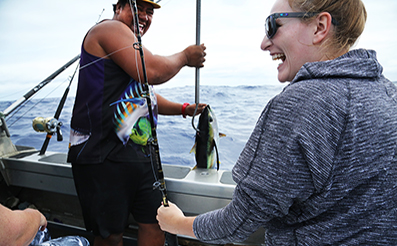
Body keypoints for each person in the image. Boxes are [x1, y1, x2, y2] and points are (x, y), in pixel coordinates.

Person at [157, 0, 397, 245]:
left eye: (273, 25)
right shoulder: (389, 95)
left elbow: (237, 223)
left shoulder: (299, 104)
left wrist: (175, 223)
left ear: (320, 27)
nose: (263, 43)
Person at [67, 0, 206, 245]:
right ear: (118, 7)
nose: (144, 16)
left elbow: (144, 95)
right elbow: (150, 71)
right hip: (103, 156)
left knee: (157, 225)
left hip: (141, 156)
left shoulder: (131, 47)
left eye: (149, 11)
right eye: (137, 7)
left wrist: (184, 109)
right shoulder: (108, 30)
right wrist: (185, 56)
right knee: (110, 236)